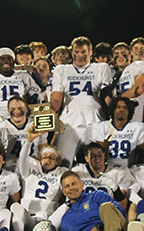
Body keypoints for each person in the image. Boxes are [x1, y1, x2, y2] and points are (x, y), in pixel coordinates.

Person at [49, 36, 114, 165]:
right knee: (63, 163)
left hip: (95, 119)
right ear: (72, 53)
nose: (80, 55)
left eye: (83, 52)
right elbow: (56, 102)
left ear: (90, 52)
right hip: (69, 121)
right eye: (76, 52)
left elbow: (105, 95)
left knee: (98, 164)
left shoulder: (101, 68)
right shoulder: (61, 70)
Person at [48, 170, 129, 231]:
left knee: (107, 206)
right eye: (67, 186)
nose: (71, 188)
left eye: (74, 184)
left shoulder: (97, 196)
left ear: (82, 185)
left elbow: (118, 212)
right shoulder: (66, 219)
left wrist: (99, 226)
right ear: (64, 192)